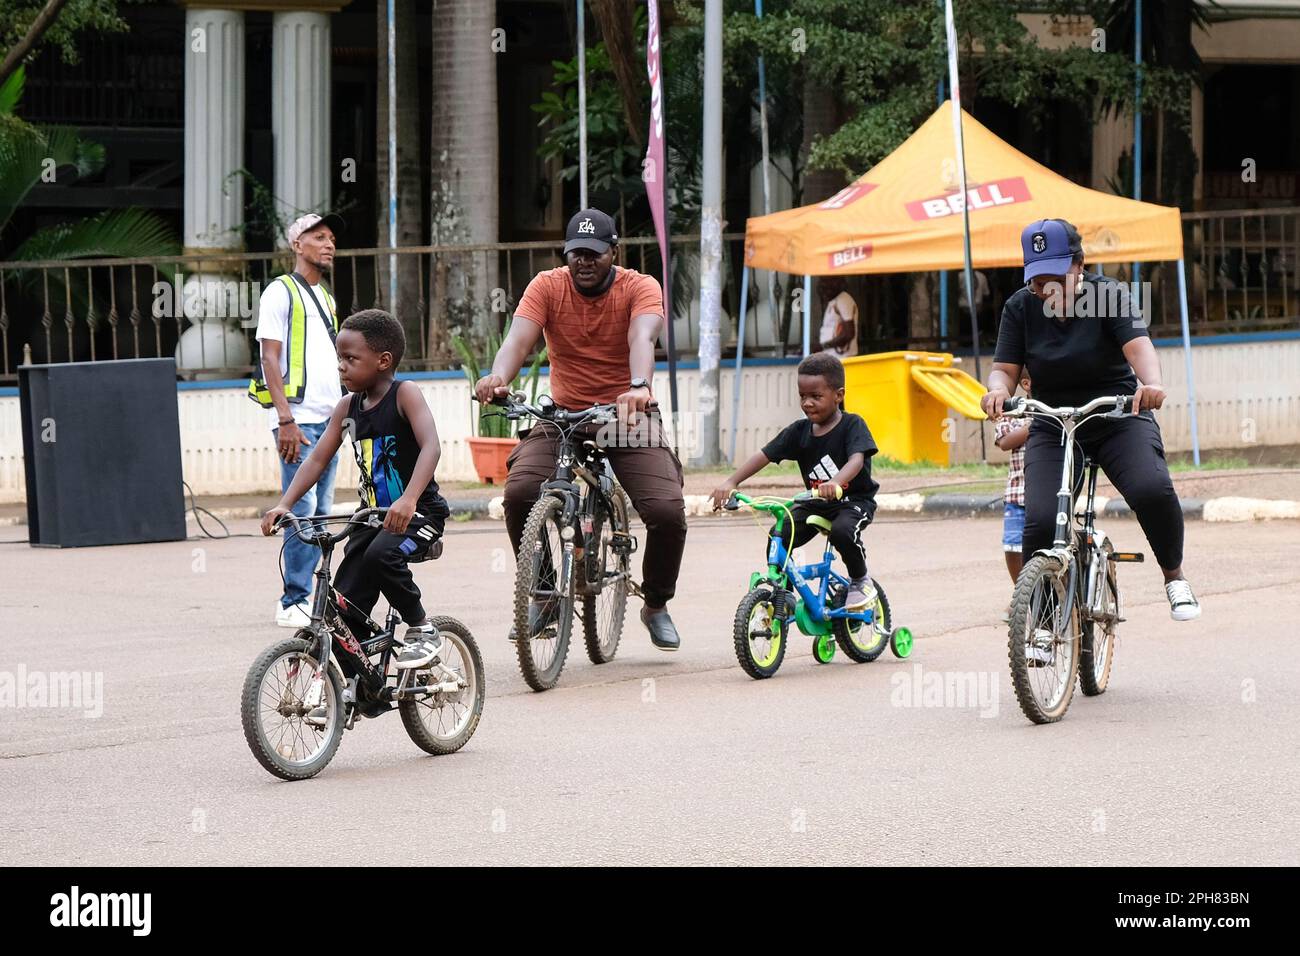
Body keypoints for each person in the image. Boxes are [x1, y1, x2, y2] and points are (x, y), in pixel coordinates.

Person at [474, 208, 687, 651]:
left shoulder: (639, 287)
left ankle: (656, 604)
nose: (584, 262)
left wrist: (639, 388)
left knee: (666, 512)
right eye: (575, 254)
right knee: (519, 494)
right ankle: (546, 593)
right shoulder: (547, 286)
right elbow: (517, 340)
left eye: (594, 253)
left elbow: (642, 338)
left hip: (626, 414)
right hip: (564, 415)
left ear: (614, 251)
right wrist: (498, 377)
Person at [981, 218, 1201, 621]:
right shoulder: (1020, 307)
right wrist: (997, 389)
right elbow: (1005, 369)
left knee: (1151, 489)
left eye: (1056, 276)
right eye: (1037, 279)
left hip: (1117, 415)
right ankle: (1044, 621)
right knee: (1043, 519)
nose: (1046, 288)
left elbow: (1139, 348)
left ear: (1080, 265)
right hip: (1057, 423)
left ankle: (1174, 575)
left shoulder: (1110, 295)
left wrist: (1151, 384)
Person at [261, 309, 450, 675]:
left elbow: (432, 447)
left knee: (381, 556)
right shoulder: (347, 408)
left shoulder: (404, 395)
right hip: (371, 518)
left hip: (419, 514)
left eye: (350, 359)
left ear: (383, 361)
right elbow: (316, 459)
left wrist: (408, 499)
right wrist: (285, 504)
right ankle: (362, 685)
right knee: (343, 606)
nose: (341, 367)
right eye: (339, 359)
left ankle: (422, 628)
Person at [709, 352, 879, 610]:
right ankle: (782, 592)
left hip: (852, 502)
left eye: (816, 396)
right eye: (802, 396)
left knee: (842, 532)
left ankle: (859, 580)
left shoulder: (852, 425)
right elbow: (764, 455)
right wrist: (731, 482)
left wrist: (835, 482)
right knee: (780, 531)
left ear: (839, 395)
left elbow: (856, 460)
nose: (808, 403)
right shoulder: (799, 432)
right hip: (815, 502)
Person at [249, 212, 345, 628]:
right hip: (298, 420)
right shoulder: (279, 292)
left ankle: (314, 595)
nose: (329, 245)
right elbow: (269, 356)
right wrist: (285, 418)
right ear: (296, 245)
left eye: (331, 239)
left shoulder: (326, 299)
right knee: (300, 509)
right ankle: (294, 600)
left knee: (320, 511)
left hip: (329, 421)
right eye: (318, 237)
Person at [994, 371, 1032, 613]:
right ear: (1026, 383)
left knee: (1051, 545)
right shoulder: (1013, 409)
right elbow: (1005, 441)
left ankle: (1053, 592)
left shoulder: (1059, 408)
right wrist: (1036, 424)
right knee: (1012, 546)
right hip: (1017, 494)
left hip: (1051, 494)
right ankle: (1022, 594)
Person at [817, 276, 859, 358]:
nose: (824, 285)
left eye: (827, 282)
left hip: (842, 358)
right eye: (822, 282)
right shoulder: (835, 301)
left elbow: (849, 333)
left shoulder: (843, 299)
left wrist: (823, 346)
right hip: (835, 357)